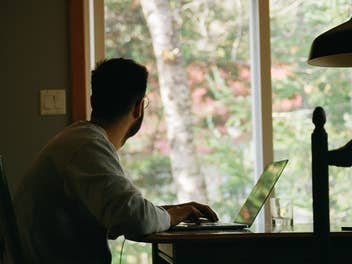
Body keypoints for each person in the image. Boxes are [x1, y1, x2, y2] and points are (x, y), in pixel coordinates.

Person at [13, 58, 218, 263]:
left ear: (93, 101)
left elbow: (121, 210)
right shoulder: (87, 146)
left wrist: (168, 212)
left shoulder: (78, 140)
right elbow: (136, 219)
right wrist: (173, 216)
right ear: (138, 108)